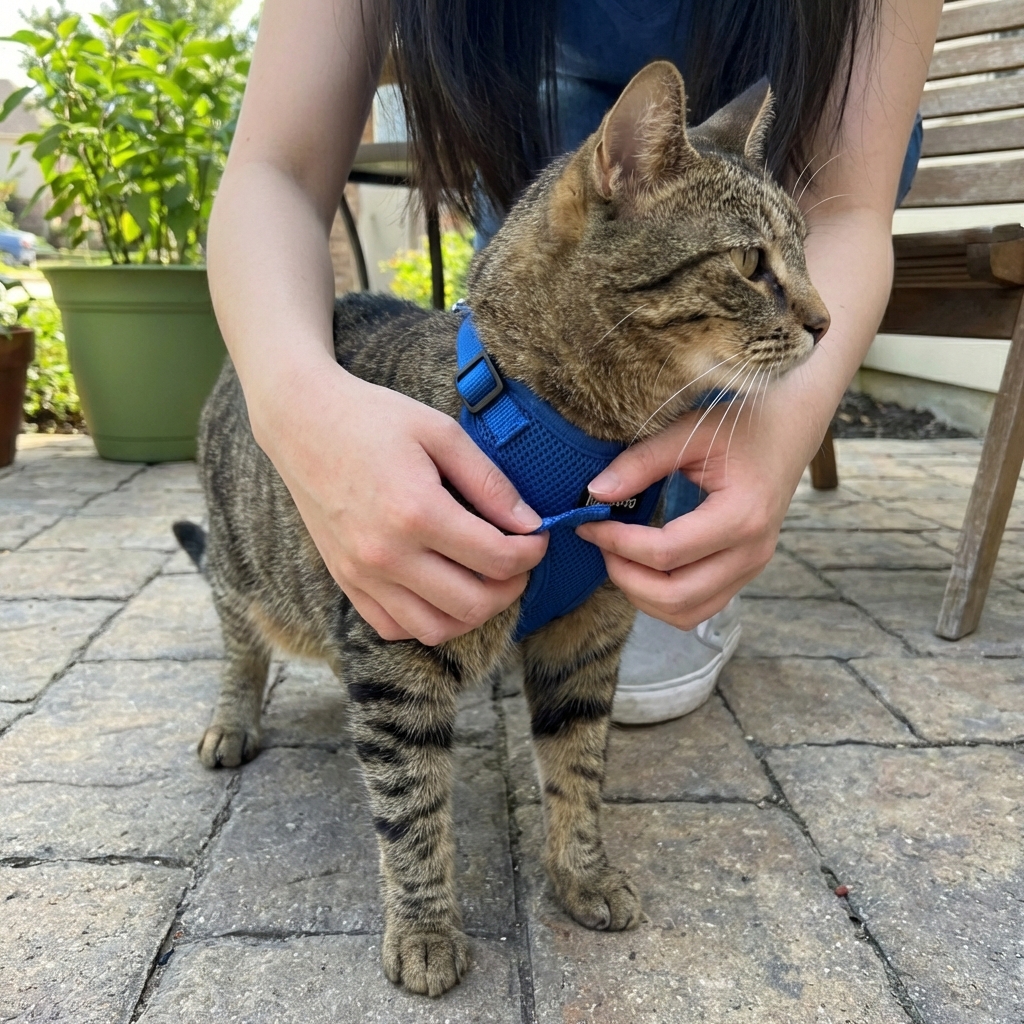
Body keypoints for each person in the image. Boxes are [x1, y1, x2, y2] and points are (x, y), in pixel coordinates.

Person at [207, 0, 942, 723]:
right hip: (548, 114)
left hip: (767, 109)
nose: (820, 318)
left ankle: (624, 562)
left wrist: (783, 432)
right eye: (761, 271)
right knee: (527, 392)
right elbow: (277, 170)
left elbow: (849, 211)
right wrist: (297, 410)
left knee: (622, 601)